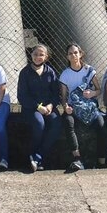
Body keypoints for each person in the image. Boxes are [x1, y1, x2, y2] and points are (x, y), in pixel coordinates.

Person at [59, 44, 107, 171]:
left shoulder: (89, 70)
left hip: (89, 107)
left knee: (101, 124)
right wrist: (65, 107)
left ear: (80, 54)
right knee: (68, 122)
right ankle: (77, 158)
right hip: (73, 107)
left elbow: (98, 90)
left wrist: (91, 93)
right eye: (70, 53)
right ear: (67, 56)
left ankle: (101, 162)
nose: (73, 55)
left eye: (75, 52)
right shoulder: (65, 74)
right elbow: (63, 97)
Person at [17, 44, 62, 172]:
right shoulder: (25, 72)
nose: (38, 57)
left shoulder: (50, 72)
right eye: (35, 54)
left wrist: (50, 105)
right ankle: (33, 155)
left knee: (56, 123)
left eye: (41, 55)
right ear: (31, 55)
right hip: (31, 108)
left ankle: (37, 156)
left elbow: (56, 93)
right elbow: (22, 96)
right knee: (39, 123)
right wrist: (38, 107)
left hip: (48, 107)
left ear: (46, 57)